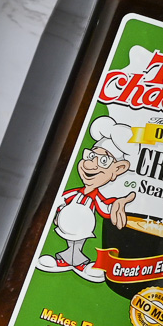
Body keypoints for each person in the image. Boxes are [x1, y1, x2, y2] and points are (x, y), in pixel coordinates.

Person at [36, 115, 134, 282]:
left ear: (118, 169)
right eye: (90, 156)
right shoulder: (73, 193)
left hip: (83, 229)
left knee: (78, 244)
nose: (90, 164)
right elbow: (58, 200)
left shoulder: (96, 198)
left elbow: (105, 208)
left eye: (103, 160)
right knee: (69, 242)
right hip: (66, 226)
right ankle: (63, 261)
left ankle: (81, 264)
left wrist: (118, 203)